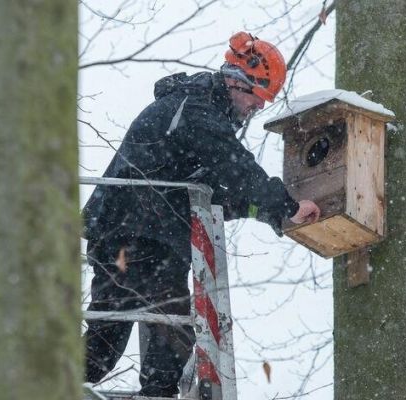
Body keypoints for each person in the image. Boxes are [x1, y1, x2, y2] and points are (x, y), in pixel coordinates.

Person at [81, 32, 320, 397]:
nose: (257, 108)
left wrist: (271, 213)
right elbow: (236, 168)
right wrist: (287, 204)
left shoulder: (201, 115)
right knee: (160, 321)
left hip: (142, 231)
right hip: (135, 229)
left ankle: (52, 377)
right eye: (257, 99)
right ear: (238, 81)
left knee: (115, 334)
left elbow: (221, 195)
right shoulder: (196, 108)